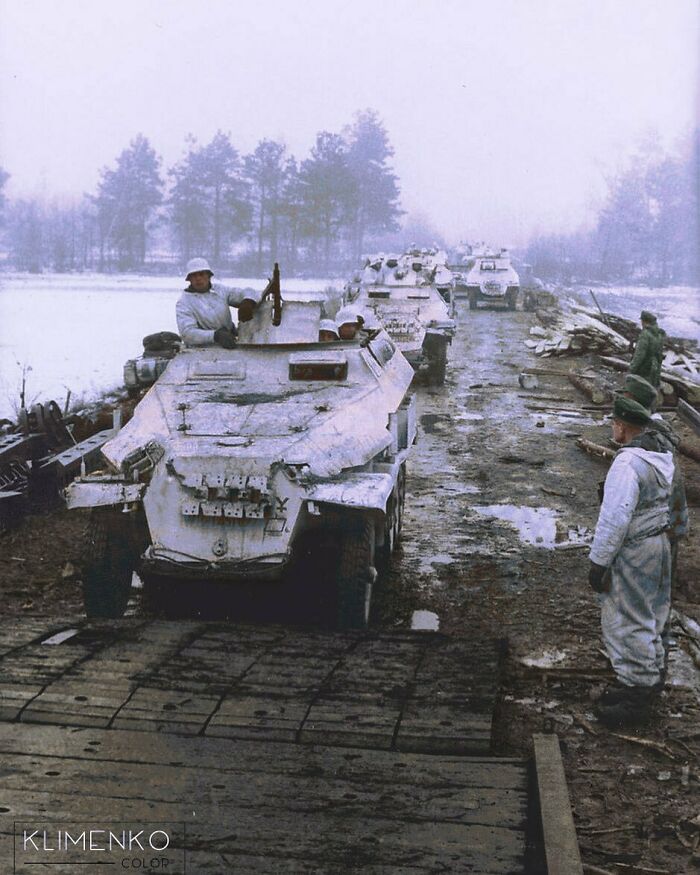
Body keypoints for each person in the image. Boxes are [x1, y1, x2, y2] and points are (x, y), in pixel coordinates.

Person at [588, 396, 675, 728]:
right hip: (659, 545)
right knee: (652, 614)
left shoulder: (627, 465)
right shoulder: (660, 457)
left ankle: (636, 698)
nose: (613, 427)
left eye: (614, 422)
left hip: (636, 550)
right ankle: (643, 684)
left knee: (627, 618)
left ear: (622, 426)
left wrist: (599, 562)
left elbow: (615, 519)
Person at [175, 257, 259, 348]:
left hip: (231, 341)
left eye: (201, 274)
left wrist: (248, 301)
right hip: (203, 350)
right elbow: (188, 333)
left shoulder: (220, 290)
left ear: (209, 276)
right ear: (189, 279)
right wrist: (215, 335)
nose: (198, 278)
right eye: (194, 275)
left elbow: (250, 292)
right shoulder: (184, 303)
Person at [629, 310, 666, 388]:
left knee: (639, 392)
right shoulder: (660, 334)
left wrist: (632, 369)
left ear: (644, 321)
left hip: (644, 369)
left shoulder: (645, 334)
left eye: (642, 321)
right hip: (655, 369)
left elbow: (640, 354)